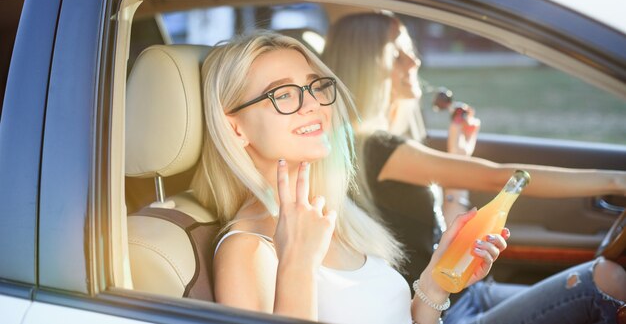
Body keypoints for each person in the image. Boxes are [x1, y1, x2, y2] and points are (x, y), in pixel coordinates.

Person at [190, 31, 625, 324]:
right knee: (603, 283)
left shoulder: (329, 212)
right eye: (282, 94)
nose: (312, 105)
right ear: (235, 127)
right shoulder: (249, 249)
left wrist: (435, 283)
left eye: (315, 86)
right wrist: (298, 265)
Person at [321, 12, 626, 281]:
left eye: (410, 50)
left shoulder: (381, 145)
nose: (414, 61)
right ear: (366, 66)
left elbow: (443, 239)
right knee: (603, 282)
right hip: (443, 309)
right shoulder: (378, 148)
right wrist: (614, 180)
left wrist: (458, 158)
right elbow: (499, 177)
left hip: (459, 293)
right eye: (396, 54)